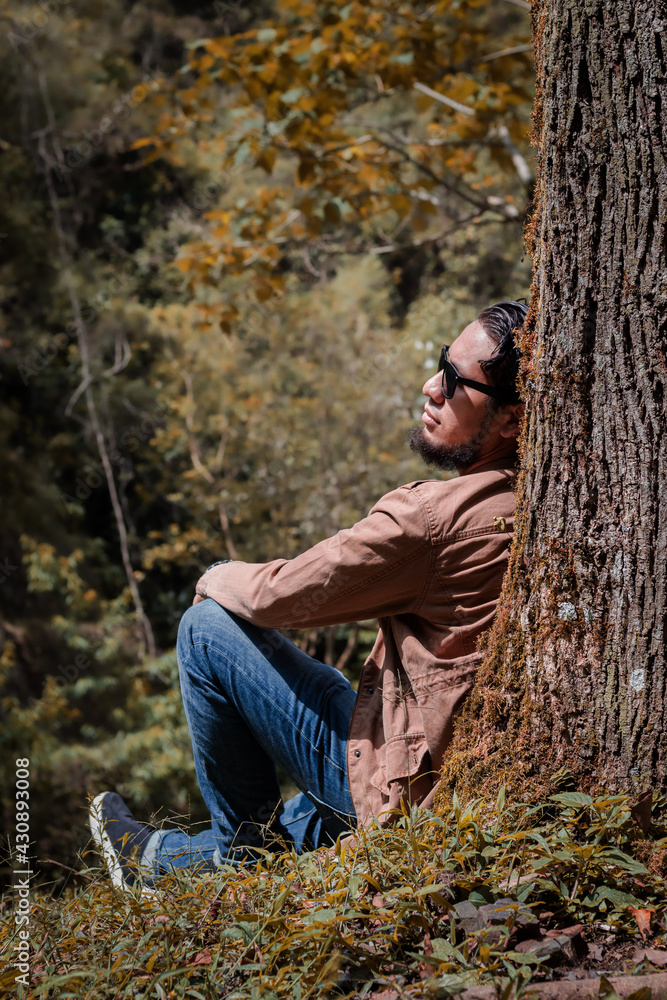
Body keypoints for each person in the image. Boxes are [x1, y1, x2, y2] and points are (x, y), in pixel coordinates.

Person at [89, 300, 528, 892]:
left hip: (409, 785)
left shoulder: (431, 519)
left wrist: (215, 575)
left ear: (509, 420)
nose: (432, 387)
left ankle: (239, 869)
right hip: (442, 769)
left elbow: (283, 595)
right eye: (439, 365)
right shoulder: (530, 498)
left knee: (207, 631)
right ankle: (156, 860)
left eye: (456, 380)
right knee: (327, 718)